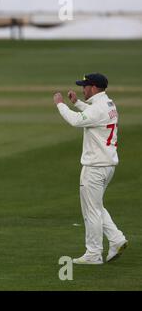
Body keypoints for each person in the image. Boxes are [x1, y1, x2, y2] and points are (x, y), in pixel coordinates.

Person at [53, 73, 128, 265]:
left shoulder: (99, 109)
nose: (82, 89)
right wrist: (77, 102)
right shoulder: (108, 104)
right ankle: (117, 239)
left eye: (85, 86)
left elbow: (77, 121)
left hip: (95, 167)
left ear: (94, 87)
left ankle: (93, 254)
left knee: (91, 210)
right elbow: (93, 114)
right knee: (96, 206)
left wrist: (60, 104)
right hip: (107, 164)